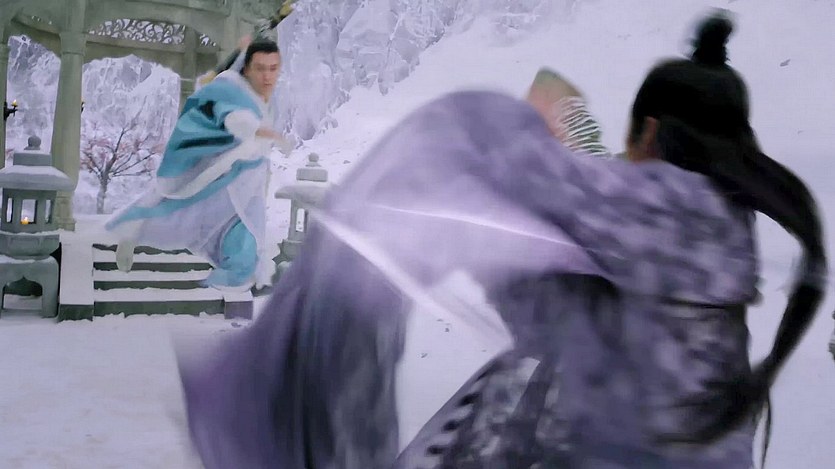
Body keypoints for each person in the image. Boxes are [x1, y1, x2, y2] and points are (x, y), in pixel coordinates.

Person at [176, 10, 826, 469]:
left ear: (651, 133)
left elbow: (467, 146)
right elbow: (570, 312)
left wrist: (519, 128)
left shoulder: (662, 209)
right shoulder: (720, 232)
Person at [107, 40, 291, 291]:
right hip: (220, 170)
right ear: (247, 68)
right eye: (260, 68)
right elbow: (232, 116)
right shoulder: (230, 86)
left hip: (249, 179)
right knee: (177, 210)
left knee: (248, 238)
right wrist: (258, 130)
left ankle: (229, 281)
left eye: (273, 68)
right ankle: (133, 231)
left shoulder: (267, 97)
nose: (267, 76)